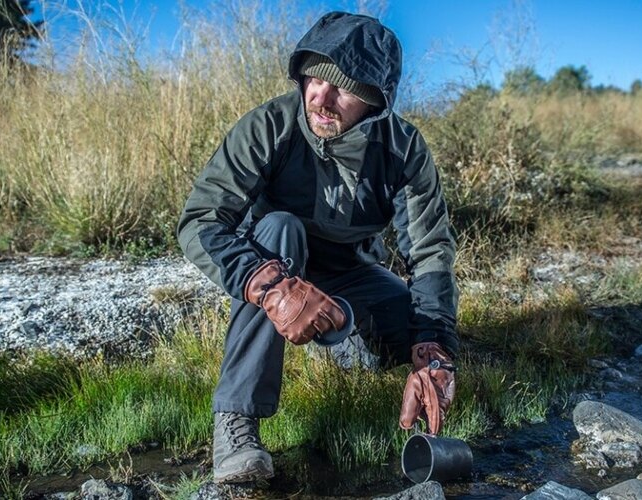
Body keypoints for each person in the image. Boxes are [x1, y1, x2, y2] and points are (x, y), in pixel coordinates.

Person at [176, 11, 459, 484]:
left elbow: (430, 253)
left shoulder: (404, 150)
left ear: (375, 103)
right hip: (275, 260)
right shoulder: (269, 126)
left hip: (351, 269)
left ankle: (340, 342)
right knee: (281, 228)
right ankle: (236, 425)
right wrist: (270, 287)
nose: (321, 98)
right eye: (315, 79)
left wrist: (434, 352)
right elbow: (201, 221)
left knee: (406, 319)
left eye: (343, 87)